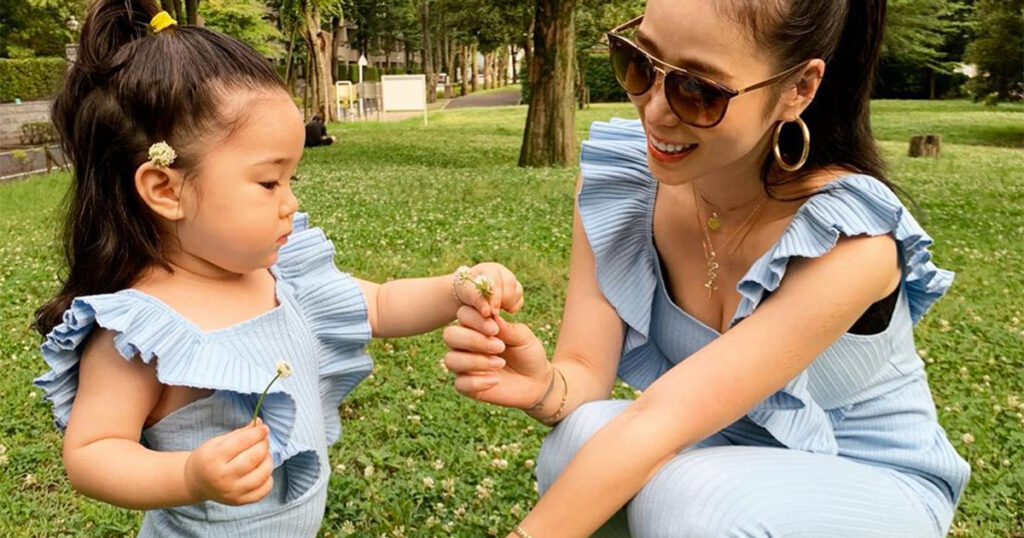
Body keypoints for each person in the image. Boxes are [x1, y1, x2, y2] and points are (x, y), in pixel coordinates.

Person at [441, 1, 969, 536]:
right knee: (577, 442)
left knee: (694, 502)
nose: (654, 110)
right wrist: (544, 387)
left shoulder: (848, 240)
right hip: (726, 447)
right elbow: (584, 370)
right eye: (638, 63)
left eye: (700, 90)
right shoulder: (626, 183)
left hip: (866, 482)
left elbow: (662, 420)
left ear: (799, 89)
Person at [31, 3, 522, 536]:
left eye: (292, 180)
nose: (288, 203)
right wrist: (189, 475)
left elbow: (379, 305)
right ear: (165, 189)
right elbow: (93, 453)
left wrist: (458, 286)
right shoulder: (141, 329)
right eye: (269, 183)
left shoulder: (282, 275)